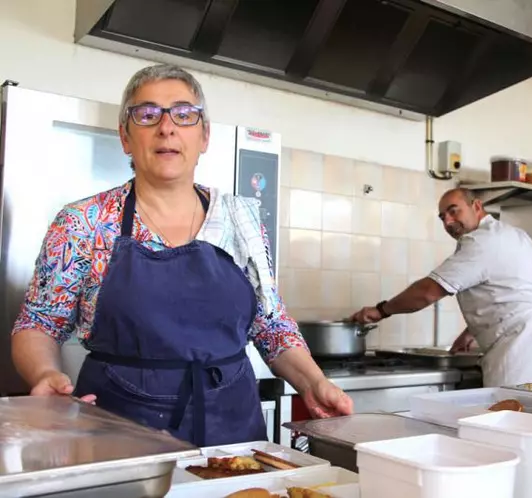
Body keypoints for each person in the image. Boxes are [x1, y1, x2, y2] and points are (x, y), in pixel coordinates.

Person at [10, 63, 352, 447]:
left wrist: (313, 381)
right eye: (147, 114)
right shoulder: (84, 222)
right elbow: (38, 324)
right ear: (125, 136)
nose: (167, 127)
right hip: (117, 431)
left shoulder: (241, 220)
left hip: (232, 429)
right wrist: (43, 374)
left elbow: (271, 325)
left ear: (204, 136)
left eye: (184, 115)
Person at [349, 187, 532, 387]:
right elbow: (508, 293)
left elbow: (428, 292)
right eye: (442, 217)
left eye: (454, 211)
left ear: (476, 206)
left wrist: (381, 310)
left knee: (515, 421)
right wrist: (470, 333)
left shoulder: (481, 242)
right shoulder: (514, 235)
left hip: (522, 346)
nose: (447, 222)